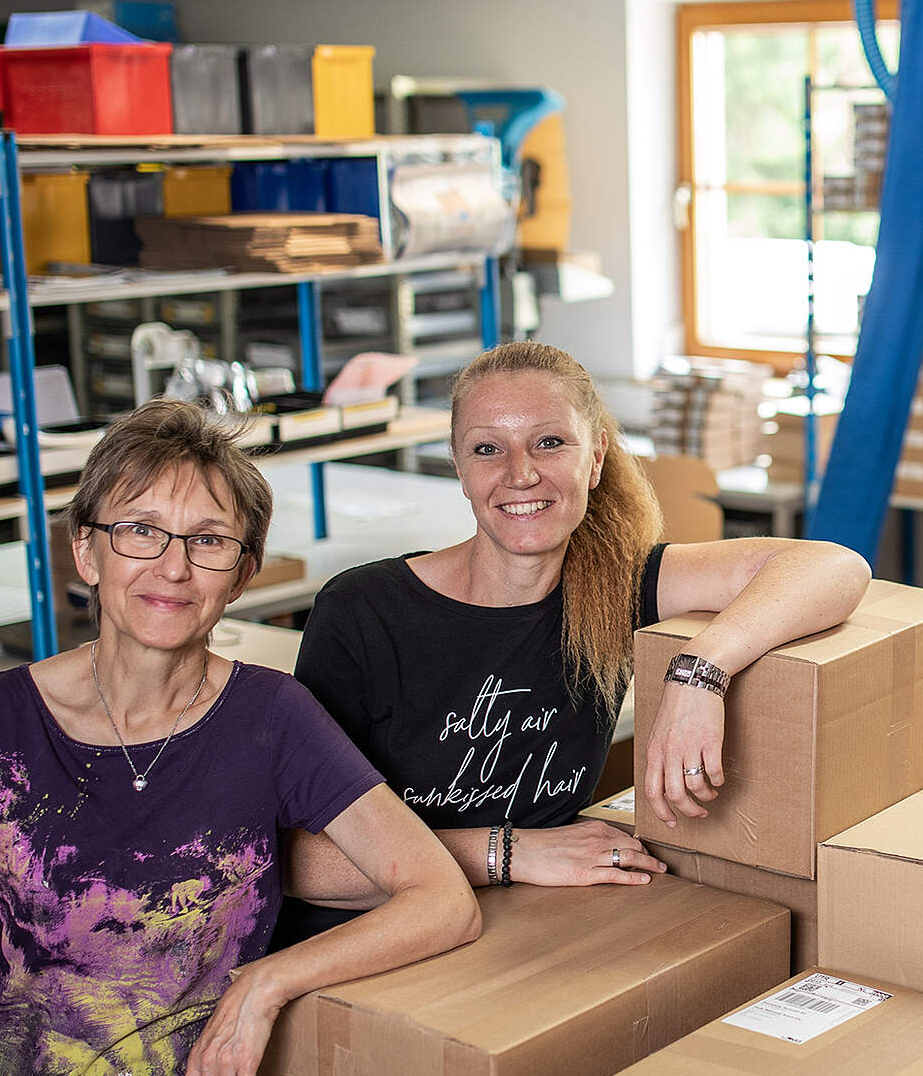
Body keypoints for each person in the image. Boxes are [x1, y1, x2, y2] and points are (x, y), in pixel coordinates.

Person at [0, 401, 480, 1076]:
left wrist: (263, 983)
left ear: (240, 575)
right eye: (140, 529)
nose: (173, 566)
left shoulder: (274, 718)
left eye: (208, 540)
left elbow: (442, 899)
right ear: (85, 550)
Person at [275, 341, 870, 942]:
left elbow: (834, 567)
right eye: (488, 449)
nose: (521, 474)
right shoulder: (363, 612)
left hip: (524, 922)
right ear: (459, 468)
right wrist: (510, 852)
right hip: (366, 935)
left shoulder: (614, 586)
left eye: (550, 442)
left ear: (596, 459)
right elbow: (298, 861)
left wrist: (699, 672)